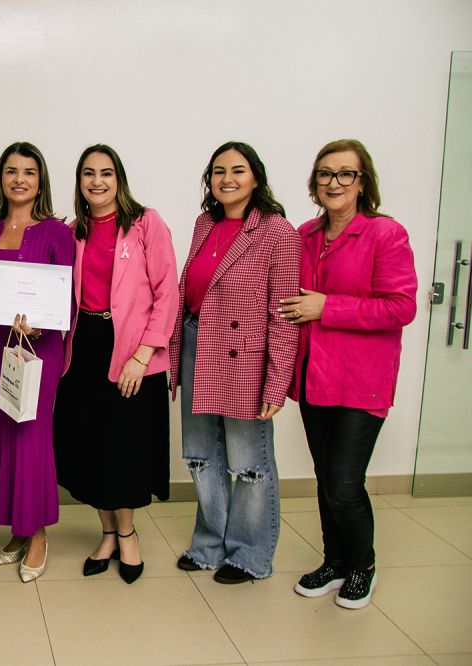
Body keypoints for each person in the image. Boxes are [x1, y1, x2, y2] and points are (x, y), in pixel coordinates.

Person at [281, 139, 417, 609]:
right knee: (326, 479)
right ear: (315, 182)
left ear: (362, 183)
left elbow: (400, 308)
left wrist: (328, 307)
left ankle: (363, 565)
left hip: (361, 382)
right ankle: (335, 561)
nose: (334, 182)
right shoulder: (305, 235)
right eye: (325, 173)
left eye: (345, 174)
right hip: (313, 378)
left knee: (344, 484)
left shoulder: (385, 234)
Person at [169, 141, 300, 584]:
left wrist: (276, 381)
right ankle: (209, 545)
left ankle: (249, 554)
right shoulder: (204, 223)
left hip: (244, 357)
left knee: (249, 460)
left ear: (256, 177)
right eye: (218, 171)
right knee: (201, 454)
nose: (227, 179)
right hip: (196, 341)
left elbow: (284, 314)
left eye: (238, 170)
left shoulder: (278, 232)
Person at [53, 144, 179, 583]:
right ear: (79, 181)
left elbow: (167, 293)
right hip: (84, 346)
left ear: (119, 178)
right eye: (88, 173)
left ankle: (128, 535)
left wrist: (142, 356)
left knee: (122, 448)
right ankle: (106, 534)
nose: (97, 181)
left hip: (131, 348)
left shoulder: (146, 222)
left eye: (106, 173)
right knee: (90, 444)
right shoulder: (73, 230)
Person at [0, 141, 75, 583]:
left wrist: (39, 326)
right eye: (12, 171)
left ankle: (38, 534)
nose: (20, 179)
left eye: (29, 172)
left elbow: (66, 299)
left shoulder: (56, 232)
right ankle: (18, 527)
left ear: (41, 180)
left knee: (31, 437)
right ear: (1, 178)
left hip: (37, 349)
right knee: (2, 432)